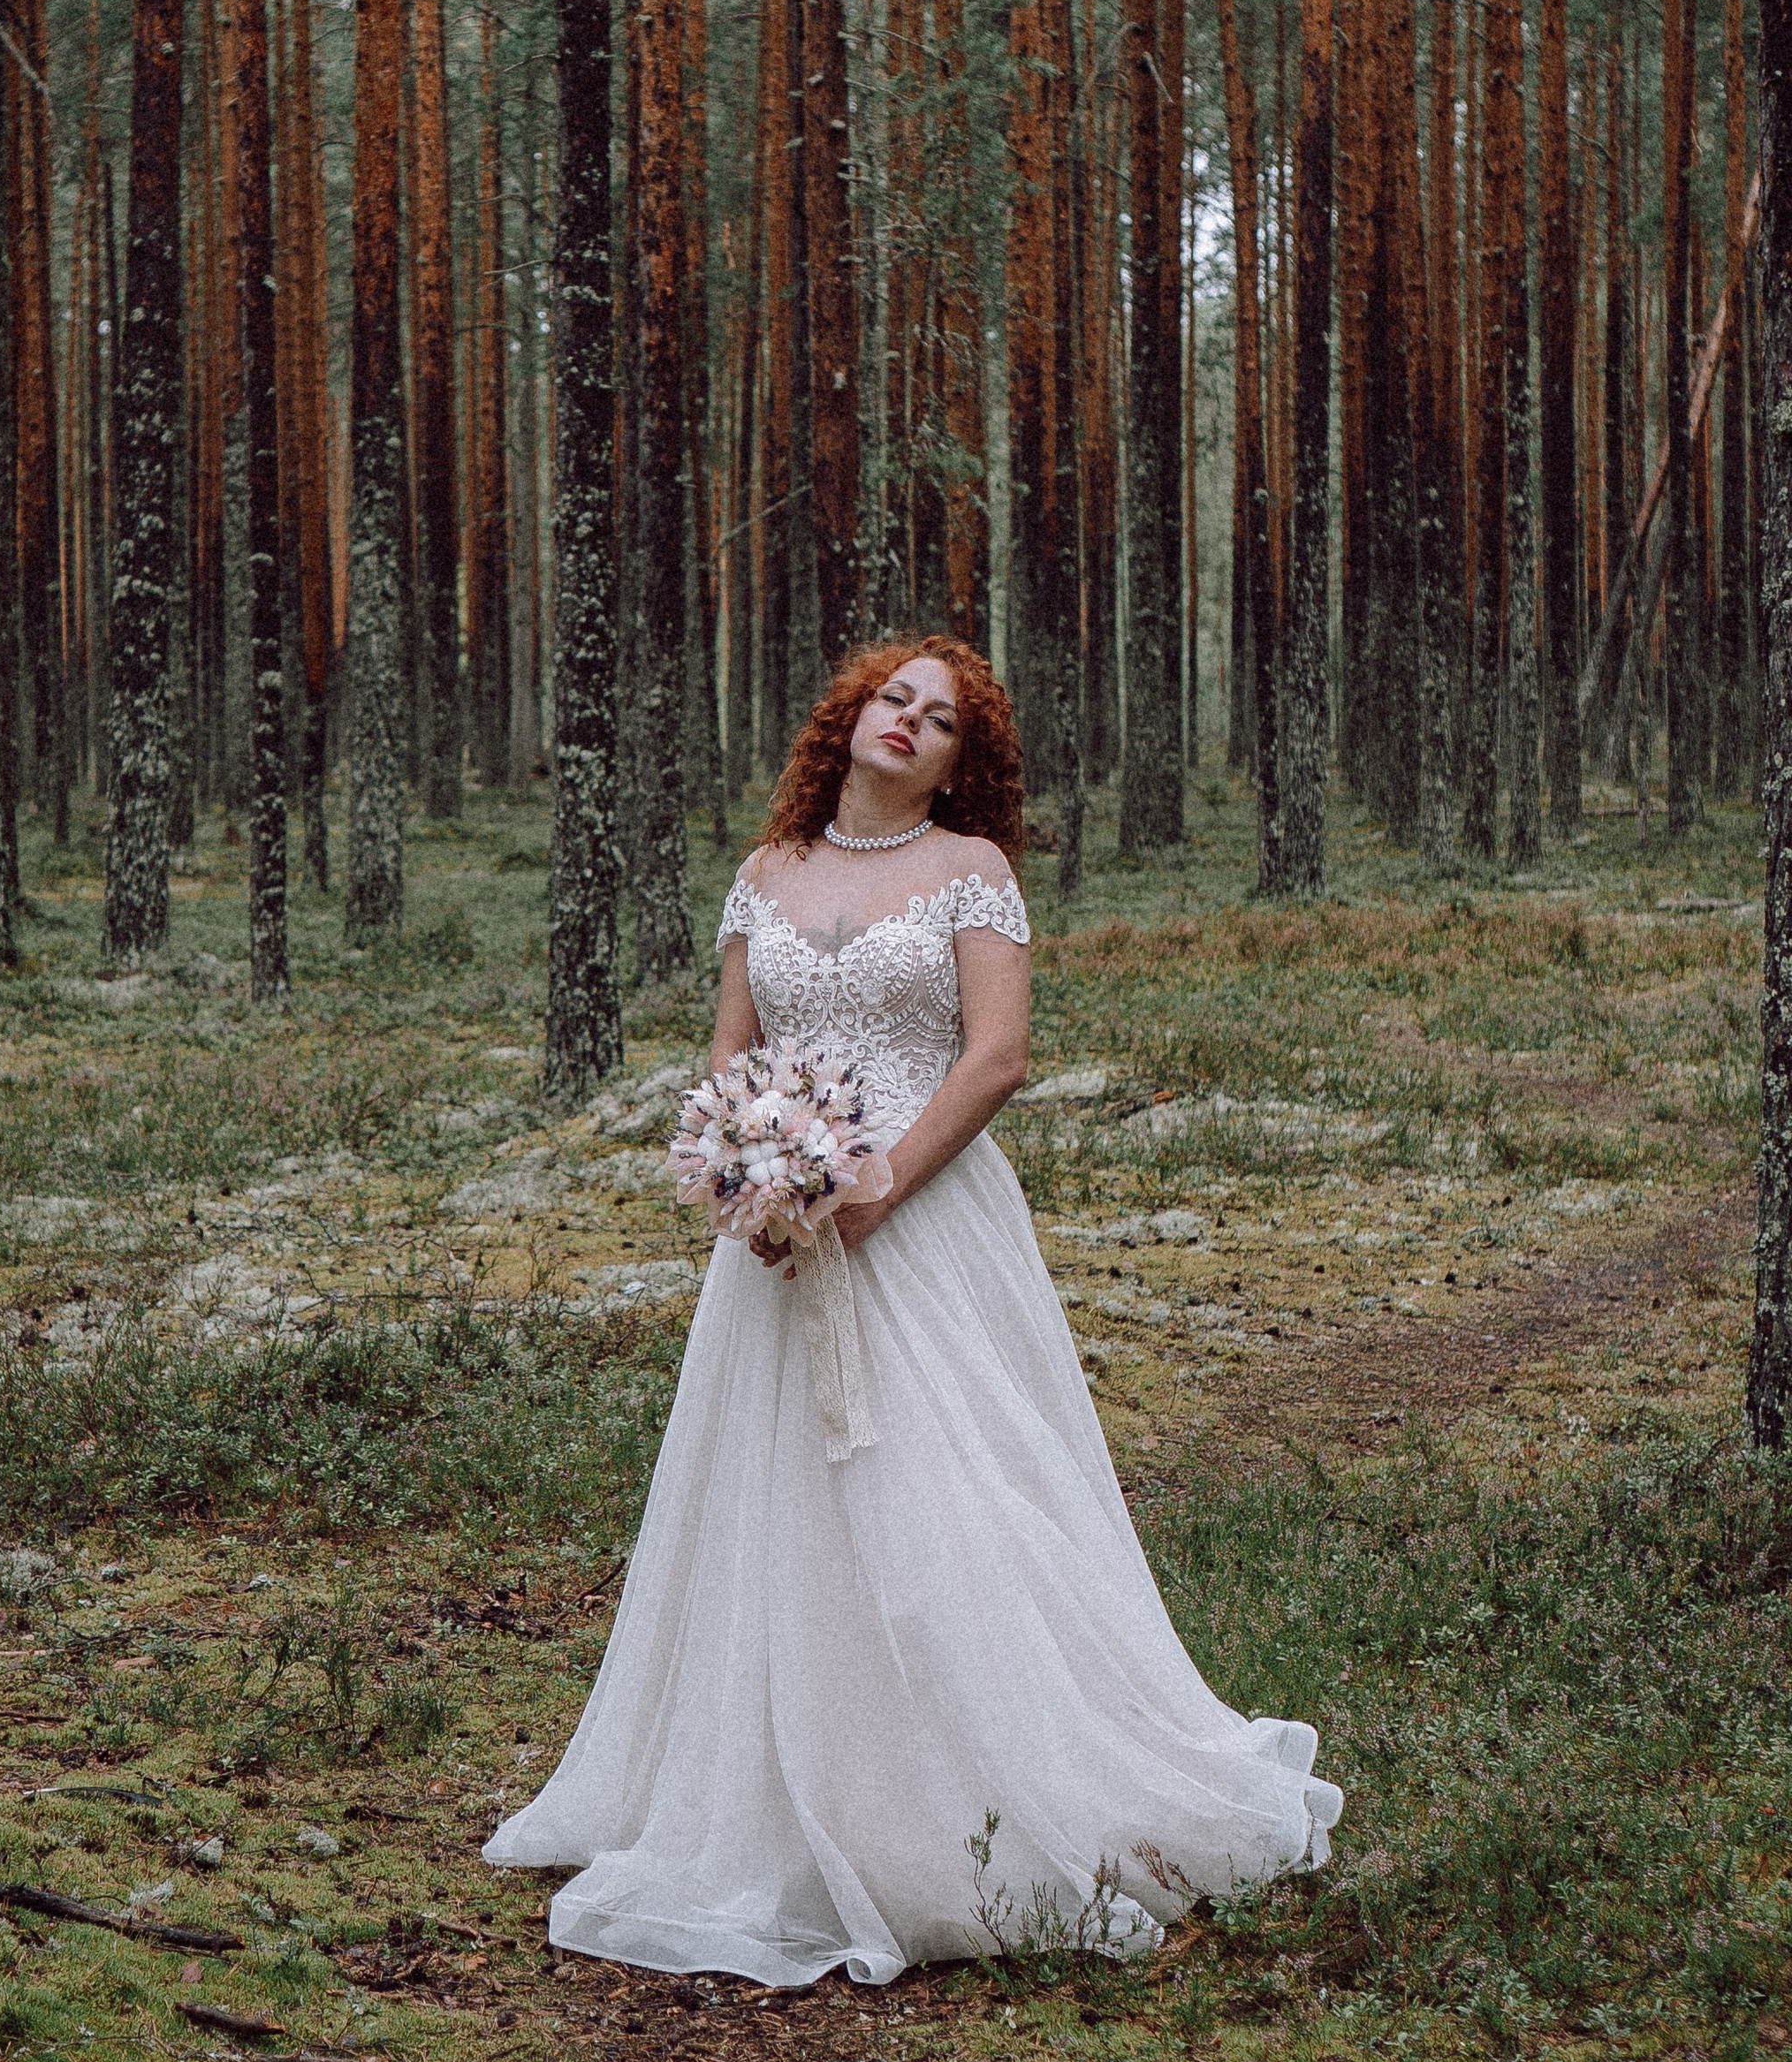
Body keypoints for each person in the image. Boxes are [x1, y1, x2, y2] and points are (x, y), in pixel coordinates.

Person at [484, 634, 1340, 1988]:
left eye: (941, 721)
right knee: (776, 1503)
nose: (910, 723)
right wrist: (747, 1174)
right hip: (779, 1235)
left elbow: (998, 1057)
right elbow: (731, 1048)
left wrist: (878, 1184)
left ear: (961, 761)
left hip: (926, 1216)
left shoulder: (971, 876)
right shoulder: (763, 875)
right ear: (850, 717)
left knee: (952, 1488)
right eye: (896, 699)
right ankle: (773, 1792)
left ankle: (978, 1796)